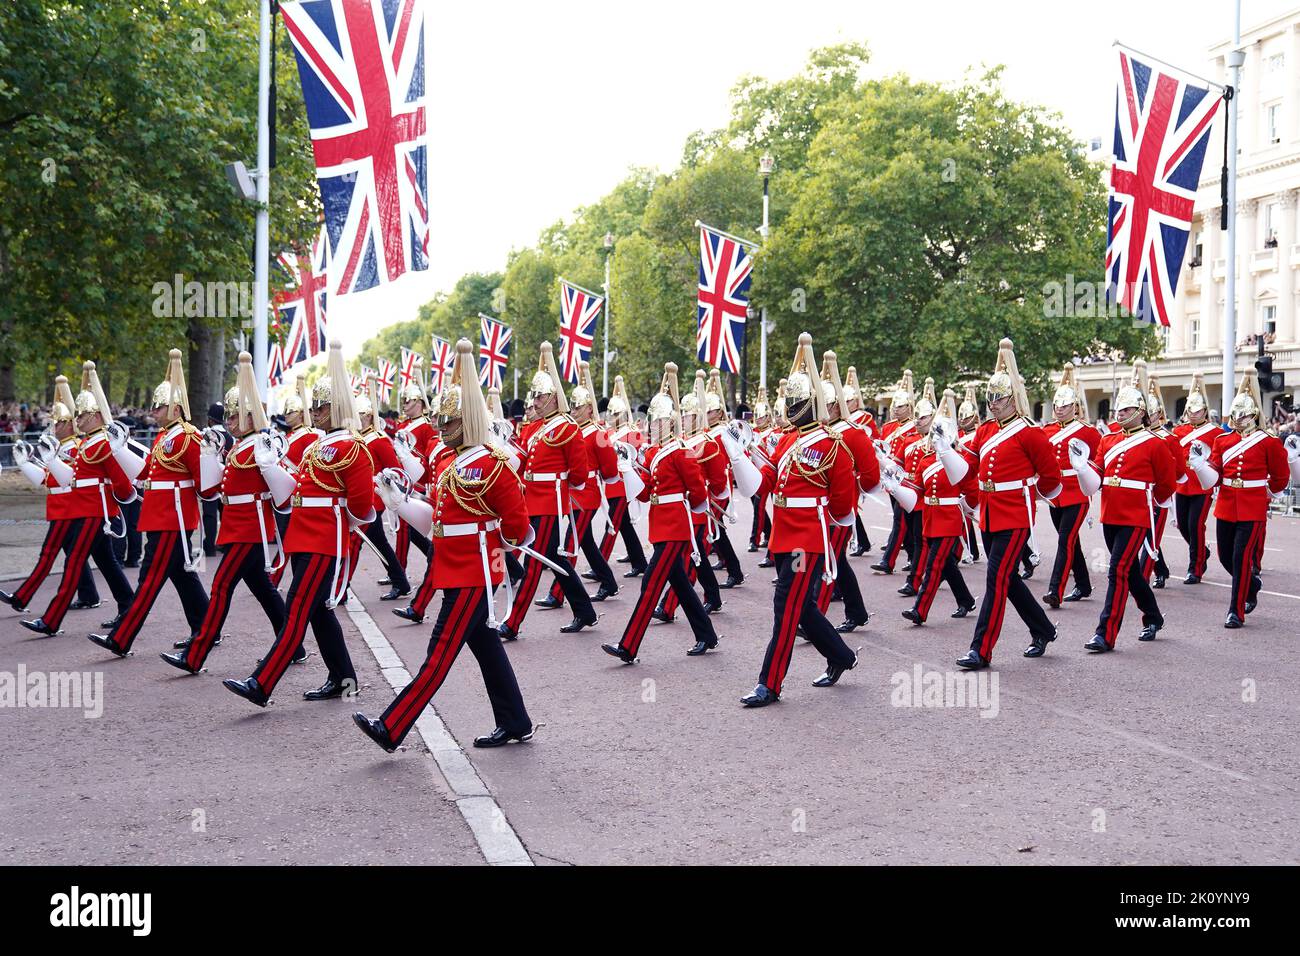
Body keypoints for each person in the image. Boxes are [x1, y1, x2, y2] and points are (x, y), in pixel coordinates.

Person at [353, 340, 535, 751]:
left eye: (449, 423)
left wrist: (494, 540)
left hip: (475, 572)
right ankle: (516, 721)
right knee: (487, 649)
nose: (441, 430)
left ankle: (392, 726)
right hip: (454, 567)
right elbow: (437, 520)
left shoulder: (493, 462)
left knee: (438, 656)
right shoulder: (446, 460)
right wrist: (399, 503)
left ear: (467, 422)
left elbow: (517, 527)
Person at [223, 340, 375, 706]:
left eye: (321, 406)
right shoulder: (315, 447)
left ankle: (262, 683)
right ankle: (343, 678)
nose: (315, 411)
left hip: (325, 538)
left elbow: (361, 505)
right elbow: (295, 491)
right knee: (319, 611)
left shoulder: (353, 447)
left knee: (297, 610)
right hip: (306, 536)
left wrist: (338, 525)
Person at [719, 334, 860, 707]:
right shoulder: (786, 441)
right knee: (802, 609)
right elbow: (761, 487)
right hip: (783, 535)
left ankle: (770, 683)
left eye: (797, 401)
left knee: (785, 611)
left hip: (808, 540)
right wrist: (736, 456)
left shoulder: (831, 444)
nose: (791, 406)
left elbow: (844, 506)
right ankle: (842, 656)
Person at [160, 353, 287, 673]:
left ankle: (196, 655)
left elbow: (281, 490)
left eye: (235, 416)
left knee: (220, 589)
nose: (229, 421)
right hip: (237, 526)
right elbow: (211, 488)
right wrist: (206, 452)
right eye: (228, 416)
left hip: (249, 528)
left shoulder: (259, 443)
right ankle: (293, 644)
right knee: (263, 589)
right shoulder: (238, 445)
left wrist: (270, 459)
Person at [87, 349, 210, 656]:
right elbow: (147, 474)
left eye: (160, 406)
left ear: (177, 408)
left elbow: (203, 485)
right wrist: (119, 448)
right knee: (183, 576)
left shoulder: (187, 437)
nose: (154, 411)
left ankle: (121, 638)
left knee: (148, 581)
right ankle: (207, 627)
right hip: (159, 516)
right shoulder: (164, 437)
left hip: (173, 519)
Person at [601, 364, 721, 664]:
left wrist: (689, 514)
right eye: (652, 422)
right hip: (660, 524)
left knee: (651, 585)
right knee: (680, 583)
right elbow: (645, 494)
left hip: (676, 526)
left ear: (670, 423)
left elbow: (698, 491)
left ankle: (629, 645)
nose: (653, 426)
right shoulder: (655, 454)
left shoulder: (680, 451)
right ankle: (706, 634)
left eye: (658, 422)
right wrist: (627, 470)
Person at [953, 339, 1062, 669]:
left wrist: (1031, 496)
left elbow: (1051, 478)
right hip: (988, 512)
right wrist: (946, 451)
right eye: (991, 398)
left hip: (1015, 513)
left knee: (995, 579)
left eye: (999, 398)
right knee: (1007, 579)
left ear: (1014, 398)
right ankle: (1042, 628)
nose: (993, 404)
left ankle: (980, 649)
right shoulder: (985, 431)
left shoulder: (1029, 432)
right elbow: (966, 469)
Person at [19, 364, 136, 636]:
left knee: (73, 564)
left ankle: (51, 620)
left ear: (96, 416)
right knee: (106, 562)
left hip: (94, 512)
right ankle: (128, 604)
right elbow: (73, 478)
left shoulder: (102, 443)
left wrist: (117, 508)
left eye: (82, 414)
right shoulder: (88, 443)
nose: (78, 419)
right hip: (84, 509)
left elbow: (120, 482)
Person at [1071, 362, 1176, 652]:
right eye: (1119, 410)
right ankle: (1153, 616)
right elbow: (1096, 475)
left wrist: (1151, 502)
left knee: (1116, 570)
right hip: (1111, 512)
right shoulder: (1108, 440)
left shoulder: (1155, 444)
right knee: (1129, 572)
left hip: (1136, 515)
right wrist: (1081, 466)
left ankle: (1106, 633)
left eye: (1127, 410)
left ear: (1141, 412)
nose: (1121, 414)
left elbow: (1167, 483)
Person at [495, 342, 597, 640]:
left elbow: (579, 472)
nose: (535, 402)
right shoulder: (534, 429)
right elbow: (521, 462)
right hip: (533, 501)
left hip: (550, 502)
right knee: (555, 558)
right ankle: (585, 610)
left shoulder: (566, 428)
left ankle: (512, 623)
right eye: (535, 396)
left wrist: (565, 488)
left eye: (540, 396)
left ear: (553, 398)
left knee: (536, 562)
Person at [1186, 371, 1292, 628]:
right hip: (1226, 504)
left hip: (1252, 505)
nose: (1239, 419)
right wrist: (1200, 465)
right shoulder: (1223, 440)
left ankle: (1235, 610)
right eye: (1236, 414)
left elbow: (1280, 475)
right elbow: (1215, 471)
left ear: (1253, 415)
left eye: (1243, 415)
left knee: (1241, 557)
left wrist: (1268, 494)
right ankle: (1252, 584)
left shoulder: (1267, 441)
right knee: (1224, 556)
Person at [2, 376, 101, 613]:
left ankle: (23, 597)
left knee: (52, 555)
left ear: (69, 425)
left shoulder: (75, 447)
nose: (53, 428)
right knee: (74, 557)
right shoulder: (62, 446)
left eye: (57, 423)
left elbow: (70, 478)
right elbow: (45, 479)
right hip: (59, 504)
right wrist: (25, 462)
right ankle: (90, 594)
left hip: (70, 506)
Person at [886, 388, 978, 624]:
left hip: (948, 518)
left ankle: (920, 610)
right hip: (930, 517)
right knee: (947, 565)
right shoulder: (926, 461)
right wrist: (894, 486)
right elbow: (916, 492)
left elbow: (971, 490)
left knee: (934, 565)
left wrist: (966, 510)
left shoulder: (959, 460)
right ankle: (966, 600)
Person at [537, 362, 619, 609]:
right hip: (570, 491)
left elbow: (610, 468)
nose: (574, 410)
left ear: (590, 407)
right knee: (586, 542)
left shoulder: (598, 432)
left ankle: (558, 593)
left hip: (587, 493)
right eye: (572, 405)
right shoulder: (571, 429)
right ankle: (608, 582)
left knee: (570, 543)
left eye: (579, 406)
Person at [813, 351, 878, 632]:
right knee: (835, 558)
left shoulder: (853, 432)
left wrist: (854, 492)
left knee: (828, 559)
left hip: (840, 505)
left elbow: (871, 475)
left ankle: (816, 616)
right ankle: (857, 611)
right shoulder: (815, 431)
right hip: (816, 505)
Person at [655, 371, 724, 622]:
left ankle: (669, 606)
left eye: (689, 415)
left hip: (698, 503)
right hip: (684, 505)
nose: (685, 419)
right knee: (695, 556)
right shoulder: (682, 441)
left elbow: (717, 479)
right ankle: (713, 596)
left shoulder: (707, 440)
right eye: (682, 414)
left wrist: (709, 500)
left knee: (689, 557)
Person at [1040, 362, 1101, 608]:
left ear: (1075, 407)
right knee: (1070, 540)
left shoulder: (1089, 432)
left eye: (1065, 405)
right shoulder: (1047, 430)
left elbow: (1099, 461)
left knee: (1065, 540)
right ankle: (1084, 584)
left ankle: (1056, 589)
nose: (1060, 409)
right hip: (1056, 493)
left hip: (1077, 492)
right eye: (1057, 405)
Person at [1170, 372, 1218, 584]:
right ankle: (1201, 551)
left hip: (1202, 484)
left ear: (1205, 411)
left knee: (1196, 525)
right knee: (1182, 525)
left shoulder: (1214, 432)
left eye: (1197, 410)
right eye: (1190, 409)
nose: (1193, 413)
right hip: (1183, 484)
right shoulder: (1179, 431)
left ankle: (1195, 568)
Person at [598, 375, 648, 577]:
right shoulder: (609, 432)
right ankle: (639, 562)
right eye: (610, 413)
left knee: (612, 524)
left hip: (623, 485)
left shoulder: (631, 433)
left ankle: (598, 565)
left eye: (615, 413)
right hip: (613, 484)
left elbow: (638, 457)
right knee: (624, 526)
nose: (611, 417)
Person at [871, 370, 917, 575]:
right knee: (905, 522)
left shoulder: (914, 428)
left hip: (907, 480)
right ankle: (913, 557)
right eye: (895, 406)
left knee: (900, 520)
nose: (896, 410)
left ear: (909, 407)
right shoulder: (889, 428)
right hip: (891, 477)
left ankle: (888, 560)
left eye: (901, 407)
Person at [703, 369, 745, 588]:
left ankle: (734, 570)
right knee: (714, 528)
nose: (706, 414)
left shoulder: (723, 432)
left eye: (709, 411)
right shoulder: (707, 431)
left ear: (719, 413)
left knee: (713, 526)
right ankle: (730, 565)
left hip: (719, 484)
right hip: (706, 485)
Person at [842, 366, 876, 556]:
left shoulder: (865, 417)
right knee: (851, 508)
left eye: (850, 400)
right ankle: (862, 541)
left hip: (857, 466)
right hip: (847, 465)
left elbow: (873, 440)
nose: (847, 404)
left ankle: (857, 541)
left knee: (850, 507)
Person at [956, 385, 982, 564]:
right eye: (962, 416)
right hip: (961, 479)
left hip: (974, 481)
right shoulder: (957, 435)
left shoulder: (979, 434)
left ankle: (958, 553)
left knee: (964, 516)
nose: (964, 420)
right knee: (964, 516)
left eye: (967, 416)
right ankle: (972, 550)